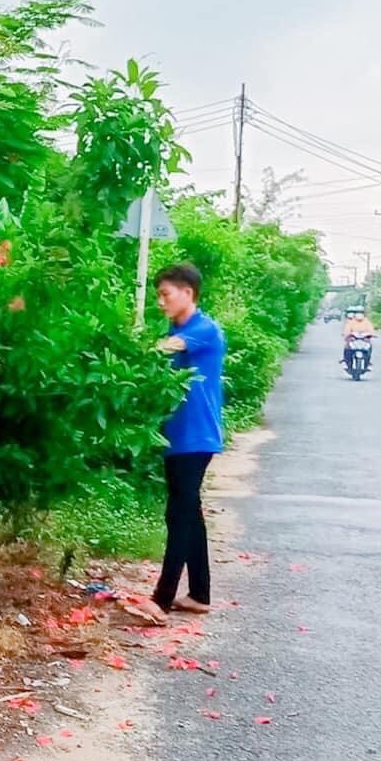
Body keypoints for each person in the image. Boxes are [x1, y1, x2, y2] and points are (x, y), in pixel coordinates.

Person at [143, 264, 225, 619]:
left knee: (178, 514)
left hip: (196, 436)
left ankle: (161, 600)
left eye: (166, 294)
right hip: (177, 435)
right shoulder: (176, 326)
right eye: (158, 295)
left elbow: (164, 349)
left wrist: (131, 346)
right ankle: (199, 595)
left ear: (188, 293)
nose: (161, 301)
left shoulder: (203, 329)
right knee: (188, 513)